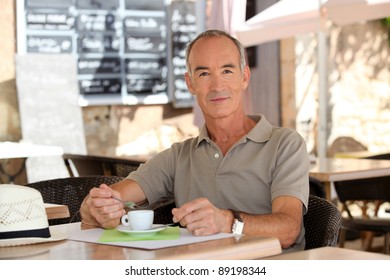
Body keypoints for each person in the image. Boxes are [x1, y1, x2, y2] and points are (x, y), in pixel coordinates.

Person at [80, 29, 310, 252]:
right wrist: (96, 207)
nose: (217, 86)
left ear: (245, 77)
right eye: (204, 73)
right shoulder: (179, 156)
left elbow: (289, 230)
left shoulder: (285, 144)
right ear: (190, 84)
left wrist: (228, 222)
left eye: (227, 71)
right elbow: (112, 197)